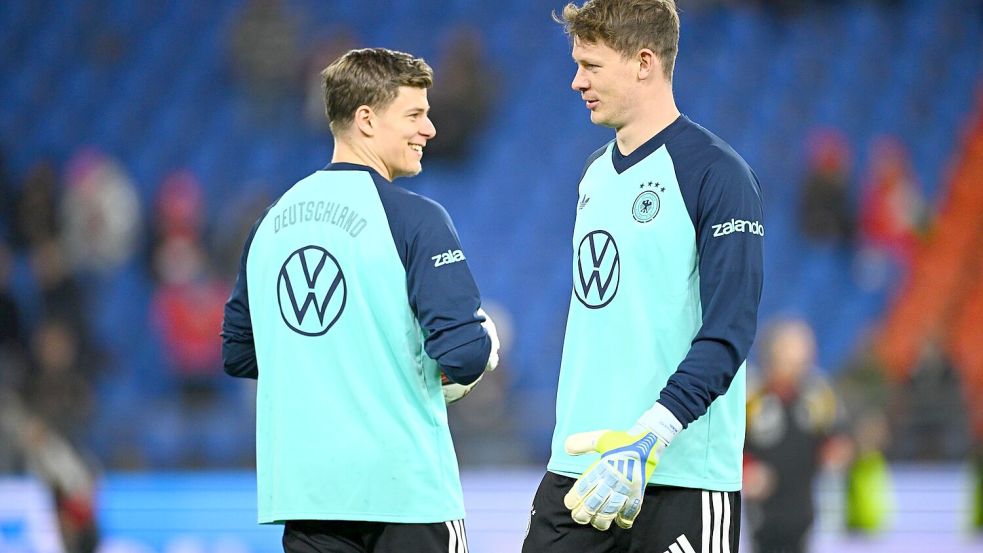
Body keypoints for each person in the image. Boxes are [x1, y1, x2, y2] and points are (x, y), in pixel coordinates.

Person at [221, 47, 500, 553]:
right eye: (415, 115)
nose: (430, 129)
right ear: (367, 120)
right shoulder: (416, 219)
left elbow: (239, 354)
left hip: (308, 500)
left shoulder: (266, 225)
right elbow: (463, 355)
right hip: (407, 497)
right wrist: (480, 348)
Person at [522, 2, 764, 552]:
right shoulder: (593, 175)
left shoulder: (717, 174)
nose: (576, 80)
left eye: (591, 65)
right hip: (578, 471)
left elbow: (730, 331)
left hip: (676, 478)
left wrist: (651, 434)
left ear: (644, 62)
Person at [744, 319, 851, 553]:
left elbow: (837, 435)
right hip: (763, 509)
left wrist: (836, 451)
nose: (798, 361)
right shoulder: (752, 395)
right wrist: (747, 469)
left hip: (802, 505)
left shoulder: (818, 394)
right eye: (789, 351)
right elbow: (731, 446)